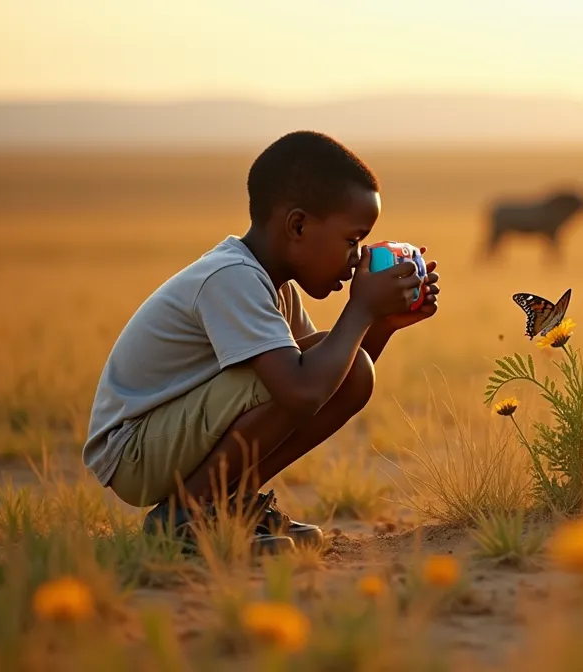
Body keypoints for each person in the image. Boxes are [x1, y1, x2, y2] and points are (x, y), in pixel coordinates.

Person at [81, 131, 439, 551]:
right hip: (135, 451)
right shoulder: (231, 277)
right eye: (352, 240)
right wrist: (360, 309)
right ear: (298, 226)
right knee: (295, 376)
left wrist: (381, 322)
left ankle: (224, 506)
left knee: (332, 366)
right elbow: (304, 391)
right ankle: (185, 518)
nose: (358, 257)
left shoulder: (273, 285)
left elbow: (334, 382)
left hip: (165, 441)